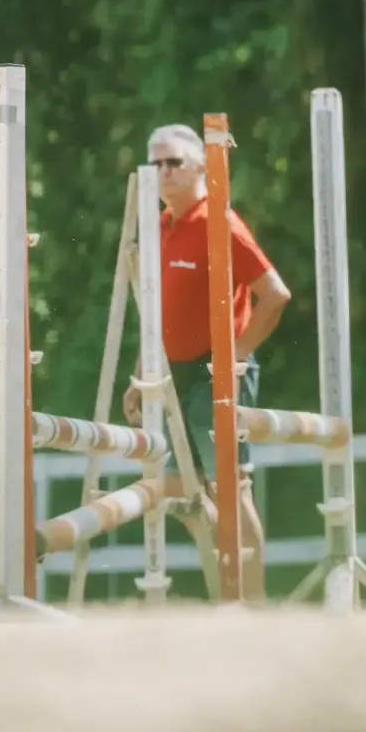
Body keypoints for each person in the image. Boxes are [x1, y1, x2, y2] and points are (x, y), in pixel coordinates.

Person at [123, 122, 292, 601]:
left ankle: (253, 606)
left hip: (215, 373)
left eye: (173, 162)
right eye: (155, 163)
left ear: (200, 166)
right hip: (169, 374)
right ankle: (226, 598)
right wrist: (140, 375)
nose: (163, 171)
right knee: (179, 492)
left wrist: (234, 356)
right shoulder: (156, 227)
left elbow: (275, 296)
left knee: (231, 493)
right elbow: (153, 311)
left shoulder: (221, 222)